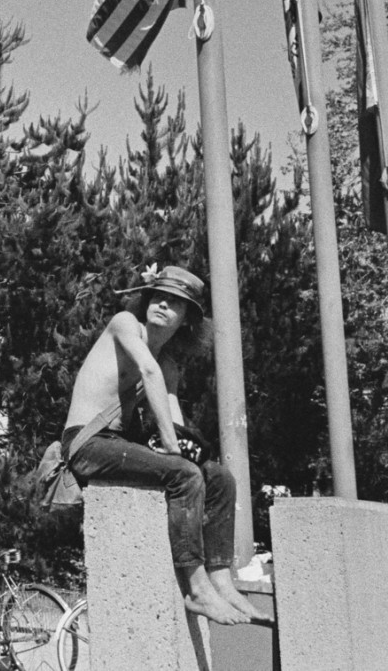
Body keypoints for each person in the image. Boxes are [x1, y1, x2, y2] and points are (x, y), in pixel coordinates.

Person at [62, 264, 269, 626]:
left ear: (187, 318)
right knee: (184, 475)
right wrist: (174, 449)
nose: (162, 305)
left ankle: (221, 579)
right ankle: (196, 589)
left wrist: (187, 447)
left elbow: (173, 421)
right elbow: (149, 373)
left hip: (118, 444)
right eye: (158, 297)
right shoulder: (126, 324)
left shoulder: (169, 364)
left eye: (175, 303)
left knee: (219, 478)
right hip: (88, 443)